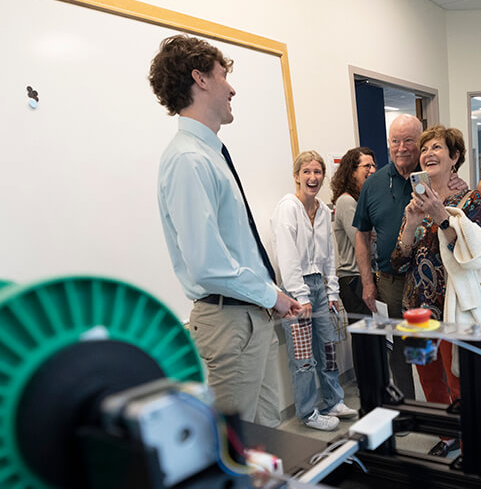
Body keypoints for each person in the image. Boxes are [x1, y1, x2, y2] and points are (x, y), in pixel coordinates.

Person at [149, 35, 301, 425]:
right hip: (229, 325)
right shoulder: (187, 160)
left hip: (250, 318)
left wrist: (271, 297)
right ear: (199, 79)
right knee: (235, 448)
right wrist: (272, 295)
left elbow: (236, 249)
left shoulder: (209, 155)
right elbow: (207, 266)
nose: (232, 88)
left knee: (267, 438)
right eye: (223, 76)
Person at [391, 126, 481, 456]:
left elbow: (472, 252)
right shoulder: (414, 203)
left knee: (458, 375)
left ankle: (468, 435)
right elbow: (398, 261)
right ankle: (446, 433)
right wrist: (409, 224)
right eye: (425, 149)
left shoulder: (472, 200)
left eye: (437, 147)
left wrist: (440, 216)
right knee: (428, 375)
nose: (428, 153)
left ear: (455, 158)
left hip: (453, 305)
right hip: (417, 306)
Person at [270, 151, 358, 431]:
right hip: (297, 291)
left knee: (329, 348)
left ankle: (334, 400)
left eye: (317, 172)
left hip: (320, 286)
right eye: (306, 172)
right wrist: (301, 296)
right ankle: (308, 412)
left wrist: (332, 293)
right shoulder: (287, 208)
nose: (312, 177)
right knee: (304, 358)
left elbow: (329, 253)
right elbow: (287, 257)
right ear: (296, 176)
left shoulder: (323, 209)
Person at [354, 114, 424, 400]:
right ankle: (409, 407)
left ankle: (441, 410)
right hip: (389, 284)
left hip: (425, 283)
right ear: (388, 143)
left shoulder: (434, 178)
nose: (402, 147)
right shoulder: (374, 184)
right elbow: (361, 234)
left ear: (420, 142)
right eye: (395, 141)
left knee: (425, 348)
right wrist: (368, 283)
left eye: (409, 140)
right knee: (397, 351)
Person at [329, 147, 377, 317]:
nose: (372, 170)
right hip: (354, 279)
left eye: (373, 166)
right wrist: (378, 235)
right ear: (352, 171)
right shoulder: (347, 201)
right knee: (365, 340)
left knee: (374, 340)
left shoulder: (361, 201)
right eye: (367, 166)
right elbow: (362, 241)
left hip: (362, 277)